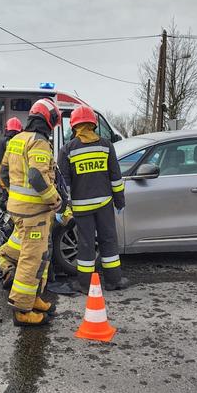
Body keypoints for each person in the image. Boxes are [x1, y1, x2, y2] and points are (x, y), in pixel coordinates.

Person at [0, 99, 62, 327]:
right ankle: (22, 310)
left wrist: (14, 195)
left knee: (34, 254)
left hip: (17, 209)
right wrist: (54, 200)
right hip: (34, 213)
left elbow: (3, 173)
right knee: (31, 259)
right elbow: (36, 176)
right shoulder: (39, 142)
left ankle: (34, 298)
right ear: (50, 120)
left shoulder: (16, 139)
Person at [58, 105, 128, 292]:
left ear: (74, 126)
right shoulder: (106, 145)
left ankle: (85, 284)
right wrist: (120, 201)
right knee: (108, 240)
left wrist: (63, 208)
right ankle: (114, 281)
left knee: (86, 244)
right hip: (105, 204)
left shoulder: (67, 149)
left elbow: (64, 186)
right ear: (93, 124)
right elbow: (115, 177)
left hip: (81, 208)